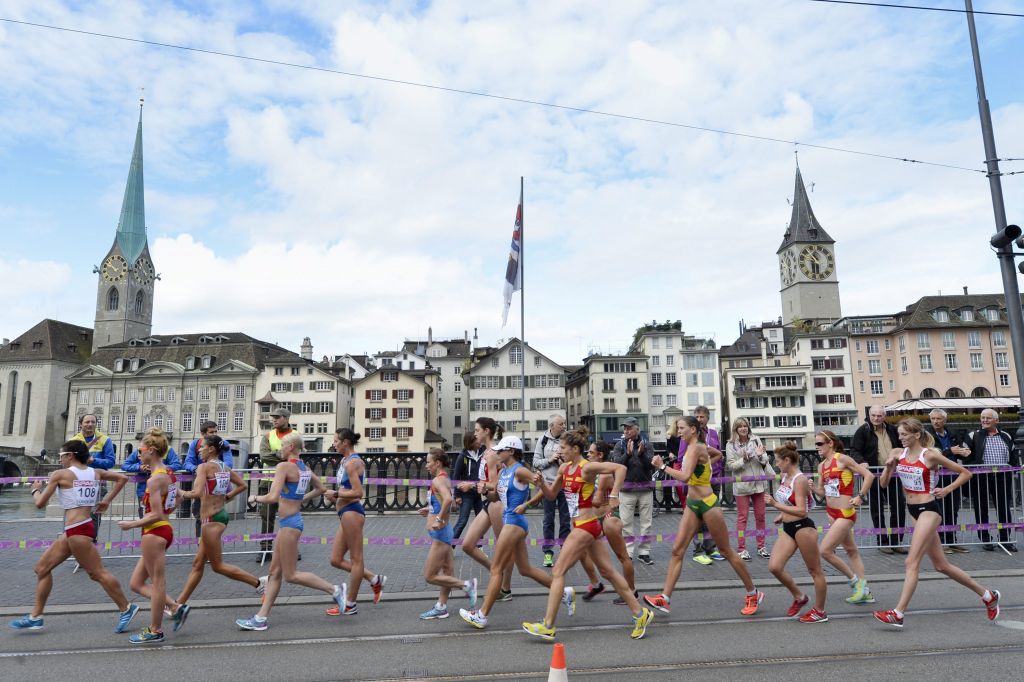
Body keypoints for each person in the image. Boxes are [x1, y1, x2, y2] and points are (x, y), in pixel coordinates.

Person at [522, 427, 654, 641]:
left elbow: (620, 468)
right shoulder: (564, 468)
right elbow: (551, 495)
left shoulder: (587, 468)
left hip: (586, 525)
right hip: (584, 526)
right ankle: (640, 613)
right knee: (609, 572)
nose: (560, 451)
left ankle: (548, 625)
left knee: (557, 572)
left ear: (575, 449)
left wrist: (613, 495)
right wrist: (540, 485)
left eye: (563, 448)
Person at [873, 418, 1001, 628]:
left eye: (905, 434)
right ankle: (988, 595)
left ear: (916, 435)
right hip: (913, 511)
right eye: (899, 434)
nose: (901, 438)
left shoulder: (930, 455)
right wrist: (888, 468)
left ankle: (898, 613)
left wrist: (947, 490)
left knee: (910, 562)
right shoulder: (897, 453)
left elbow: (965, 473)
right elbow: (883, 484)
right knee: (941, 565)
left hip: (929, 510)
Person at [9, 440, 139, 634]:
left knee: (97, 573)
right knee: (42, 569)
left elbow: (40, 504)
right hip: (77, 529)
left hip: (78, 530)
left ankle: (127, 608)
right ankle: (36, 616)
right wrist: (105, 501)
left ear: (70, 455)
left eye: (61, 456)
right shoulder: (95, 472)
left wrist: (35, 489)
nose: (60, 459)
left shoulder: (61, 474)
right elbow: (123, 479)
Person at [643, 416, 764, 616]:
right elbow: (717, 454)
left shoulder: (697, 448)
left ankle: (753, 593)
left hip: (708, 504)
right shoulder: (698, 447)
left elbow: (684, 477)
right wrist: (706, 467)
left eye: (681, 428)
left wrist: (661, 466)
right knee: (677, 551)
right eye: (678, 428)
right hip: (693, 503)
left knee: (726, 551)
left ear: (693, 429)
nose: (678, 431)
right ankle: (664, 599)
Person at [237, 433, 345, 631]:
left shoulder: (284, 466)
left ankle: (335, 589)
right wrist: (299, 500)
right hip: (291, 521)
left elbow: (272, 497)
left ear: (292, 448)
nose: (280, 449)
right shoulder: (304, 468)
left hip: (290, 524)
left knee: (291, 575)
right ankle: (260, 619)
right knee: (274, 573)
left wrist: (255, 498)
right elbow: (321, 488)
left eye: (283, 445)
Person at [459, 435, 568, 629]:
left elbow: (544, 488)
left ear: (511, 451)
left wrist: (528, 502)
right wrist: (484, 491)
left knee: (496, 569)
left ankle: (482, 615)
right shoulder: (503, 472)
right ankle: (563, 591)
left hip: (514, 523)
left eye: (500, 450)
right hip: (511, 521)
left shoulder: (520, 471)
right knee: (525, 569)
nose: (497, 453)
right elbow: (495, 498)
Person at [174, 434, 265, 610]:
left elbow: (196, 492)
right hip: (220, 515)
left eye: (202, 447)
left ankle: (259, 583)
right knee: (198, 564)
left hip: (210, 520)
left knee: (218, 566)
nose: (199, 450)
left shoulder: (204, 467)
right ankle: (178, 604)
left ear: (211, 449)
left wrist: (178, 492)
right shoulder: (223, 466)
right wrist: (225, 498)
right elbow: (243, 485)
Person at [117, 429, 187, 644]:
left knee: (157, 583)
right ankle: (175, 607)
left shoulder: (154, 480)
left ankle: (155, 629)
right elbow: (179, 499)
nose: (139, 455)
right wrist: (163, 514)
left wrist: (132, 524)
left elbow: (156, 513)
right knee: (137, 583)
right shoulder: (169, 474)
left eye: (141, 450)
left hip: (154, 531)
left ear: (152, 451)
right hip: (162, 529)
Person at [324, 428, 386, 615]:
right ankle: (374, 579)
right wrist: (336, 497)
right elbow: (347, 487)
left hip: (352, 512)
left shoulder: (353, 463)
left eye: (336, 441)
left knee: (356, 560)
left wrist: (336, 493)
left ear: (345, 442)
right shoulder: (344, 461)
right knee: (335, 559)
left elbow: (358, 493)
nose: (334, 443)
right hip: (344, 511)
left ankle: (350, 604)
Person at [765, 442, 828, 623]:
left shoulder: (799, 480)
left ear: (787, 460)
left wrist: (776, 505)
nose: (776, 464)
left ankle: (820, 611)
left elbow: (802, 510)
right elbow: (789, 501)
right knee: (774, 567)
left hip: (803, 528)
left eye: (778, 461)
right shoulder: (785, 476)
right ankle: (800, 597)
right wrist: (781, 513)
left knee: (814, 571)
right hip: (788, 528)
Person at [813, 430, 876, 605]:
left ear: (830, 443)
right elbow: (822, 493)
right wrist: (812, 487)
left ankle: (856, 583)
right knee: (851, 551)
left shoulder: (842, 459)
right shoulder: (821, 466)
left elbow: (869, 475)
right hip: (831, 513)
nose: (817, 447)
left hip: (845, 513)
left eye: (819, 444)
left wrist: (861, 496)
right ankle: (866, 592)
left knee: (824, 550)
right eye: (815, 444)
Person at [418, 448, 478, 620]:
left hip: (441, 534)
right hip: (444, 532)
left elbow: (448, 500)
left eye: (428, 462)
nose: (426, 466)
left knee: (429, 576)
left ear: (437, 463)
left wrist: (437, 519)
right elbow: (445, 503)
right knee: (447, 572)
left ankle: (466, 585)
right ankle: (441, 607)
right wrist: (429, 509)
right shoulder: (443, 478)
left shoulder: (438, 479)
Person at [459, 418, 513, 600]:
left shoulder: (492, 454)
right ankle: (496, 572)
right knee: (467, 545)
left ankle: (505, 588)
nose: (475, 434)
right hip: (487, 503)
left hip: (496, 503)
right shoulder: (486, 452)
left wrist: (473, 486)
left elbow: (494, 484)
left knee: (503, 546)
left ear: (487, 431)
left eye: (477, 430)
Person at [850, 406, 906, 554]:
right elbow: (854, 450)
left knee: (898, 506)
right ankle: (882, 541)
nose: (876, 418)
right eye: (873, 415)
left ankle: (896, 541)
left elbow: (903, 446)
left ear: (884, 416)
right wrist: (861, 461)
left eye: (879, 416)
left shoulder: (893, 430)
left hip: (892, 472)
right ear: (869, 415)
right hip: (873, 474)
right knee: (877, 508)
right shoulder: (863, 431)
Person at [962, 409, 1018, 552]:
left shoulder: (1005, 435)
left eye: (988, 418)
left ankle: (1006, 539)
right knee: (981, 508)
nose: (985, 420)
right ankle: (985, 539)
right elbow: (965, 456)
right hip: (981, 478)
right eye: (982, 418)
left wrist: (1015, 467)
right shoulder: (973, 435)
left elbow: (1013, 453)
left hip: (1002, 477)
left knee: (1004, 508)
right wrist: (967, 457)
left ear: (996, 421)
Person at [589, 440, 637, 605]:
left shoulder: (604, 474)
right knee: (583, 550)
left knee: (622, 556)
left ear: (600, 455)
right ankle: (597, 584)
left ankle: (631, 591)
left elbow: (596, 500)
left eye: (591, 452)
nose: (587, 455)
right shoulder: (595, 471)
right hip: (597, 517)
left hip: (609, 516)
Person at [924, 409, 971, 553]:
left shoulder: (953, 433)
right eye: (933, 419)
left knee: (953, 509)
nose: (936, 421)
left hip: (952, 475)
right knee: (939, 510)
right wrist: (950, 451)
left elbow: (959, 453)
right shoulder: (926, 435)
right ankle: (941, 542)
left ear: (945, 420)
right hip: (936, 476)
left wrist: (965, 453)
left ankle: (951, 540)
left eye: (939, 419)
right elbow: (929, 455)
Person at [611, 417, 655, 565]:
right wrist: (628, 455)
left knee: (646, 523)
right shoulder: (619, 445)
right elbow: (616, 465)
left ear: (637, 429)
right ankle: (628, 552)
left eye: (629, 428)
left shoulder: (647, 444)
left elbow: (651, 466)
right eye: (625, 428)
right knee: (626, 523)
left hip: (645, 488)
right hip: (626, 489)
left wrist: (642, 454)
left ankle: (644, 552)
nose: (626, 430)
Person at [725, 418, 771, 561]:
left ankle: (761, 546)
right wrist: (744, 460)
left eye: (745, 426)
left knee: (761, 516)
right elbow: (731, 466)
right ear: (736, 429)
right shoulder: (731, 445)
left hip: (758, 484)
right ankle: (742, 548)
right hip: (742, 485)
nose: (744, 428)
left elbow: (765, 460)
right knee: (742, 517)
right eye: (740, 427)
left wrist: (759, 455)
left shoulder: (756, 440)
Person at [686, 407, 726, 564]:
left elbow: (718, 454)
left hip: (714, 479)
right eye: (696, 416)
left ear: (708, 418)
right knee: (697, 518)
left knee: (712, 517)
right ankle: (698, 550)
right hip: (697, 483)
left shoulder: (714, 434)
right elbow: (683, 457)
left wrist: (709, 464)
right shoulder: (690, 436)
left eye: (702, 416)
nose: (699, 419)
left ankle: (711, 548)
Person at [182, 420, 235, 534]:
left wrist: (213, 469)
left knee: (215, 516)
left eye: (216, 431)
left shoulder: (223, 444)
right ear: (203, 434)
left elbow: (229, 463)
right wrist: (197, 470)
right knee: (199, 515)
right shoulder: (195, 444)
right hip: (201, 484)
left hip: (215, 487)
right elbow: (187, 463)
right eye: (211, 432)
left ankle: (209, 542)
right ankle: (201, 542)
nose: (215, 434)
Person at [533, 414, 571, 567]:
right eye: (561, 424)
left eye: (564, 423)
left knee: (565, 519)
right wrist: (550, 459)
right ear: (552, 426)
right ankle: (548, 553)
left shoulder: (568, 438)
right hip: (548, 484)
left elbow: (573, 460)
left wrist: (563, 460)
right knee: (548, 520)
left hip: (565, 484)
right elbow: (535, 462)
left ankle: (565, 551)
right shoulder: (543, 440)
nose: (564, 426)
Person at [256, 407, 294, 558]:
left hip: (289, 481)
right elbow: (265, 457)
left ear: (286, 418)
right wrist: (284, 456)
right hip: (268, 481)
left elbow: (297, 455)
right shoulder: (268, 435)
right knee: (267, 517)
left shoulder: (295, 435)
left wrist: (276, 455)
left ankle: (290, 548)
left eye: (277, 417)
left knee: (289, 516)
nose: (274, 420)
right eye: (273, 417)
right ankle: (265, 548)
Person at [72, 413, 116, 536]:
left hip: (98, 483)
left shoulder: (105, 440)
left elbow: (111, 462)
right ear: (81, 424)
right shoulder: (74, 441)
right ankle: (79, 539)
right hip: (78, 483)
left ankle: (92, 539)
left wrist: (94, 461)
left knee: (94, 514)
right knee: (78, 513)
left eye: (93, 422)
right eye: (87, 422)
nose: (90, 424)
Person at [121, 431, 181, 518]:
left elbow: (177, 465)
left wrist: (159, 469)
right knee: (146, 515)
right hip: (143, 489)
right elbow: (125, 465)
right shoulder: (140, 450)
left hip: (160, 490)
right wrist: (139, 467)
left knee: (150, 516)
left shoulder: (168, 450)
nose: (140, 454)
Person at [451, 432, 484, 542]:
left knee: (480, 522)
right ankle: (450, 546)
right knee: (463, 521)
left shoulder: (483, 453)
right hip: (466, 495)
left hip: (479, 493)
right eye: (477, 440)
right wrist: (457, 496)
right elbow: (456, 477)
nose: (479, 441)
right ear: (471, 442)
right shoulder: (462, 457)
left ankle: (480, 547)